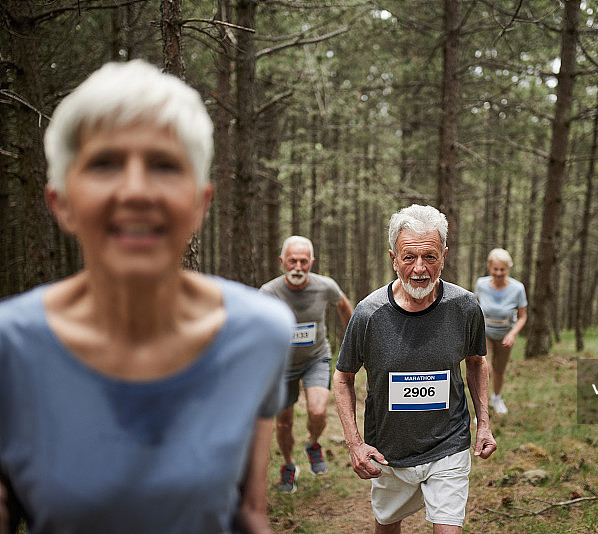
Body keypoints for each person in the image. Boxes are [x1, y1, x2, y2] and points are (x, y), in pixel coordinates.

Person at [0, 60, 295, 534]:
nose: (135, 190)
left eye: (164, 165)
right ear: (62, 202)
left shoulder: (260, 333)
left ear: (200, 203)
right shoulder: (10, 347)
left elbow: (249, 513)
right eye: (104, 164)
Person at [333, 204, 497, 534]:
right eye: (409, 257)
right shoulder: (368, 314)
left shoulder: (465, 307)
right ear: (393, 258)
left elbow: (477, 363)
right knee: (387, 527)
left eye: (430, 257)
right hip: (388, 451)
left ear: (444, 256)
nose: (419, 269)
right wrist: (354, 443)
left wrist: (483, 425)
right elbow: (343, 377)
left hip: (448, 443)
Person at [259, 236, 353, 493]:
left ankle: (313, 443)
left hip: (316, 358)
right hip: (282, 366)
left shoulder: (325, 286)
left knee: (318, 411)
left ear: (311, 262)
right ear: (282, 262)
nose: (298, 267)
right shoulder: (269, 292)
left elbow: (344, 307)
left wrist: (353, 342)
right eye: (292, 261)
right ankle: (289, 466)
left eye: (303, 261)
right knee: (284, 423)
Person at [473, 248, 528, 415]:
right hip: (485, 334)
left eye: (502, 270)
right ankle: (482, 408)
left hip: (505, 336)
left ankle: (497, 398)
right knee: (485, 368)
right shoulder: (481, 284)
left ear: (508, 269)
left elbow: (522, 316)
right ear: (489, 267)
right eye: (495, 269)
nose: (498, 273)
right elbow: (475, 307)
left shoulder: (518, 288)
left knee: (499, 370)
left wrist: (512, 334)